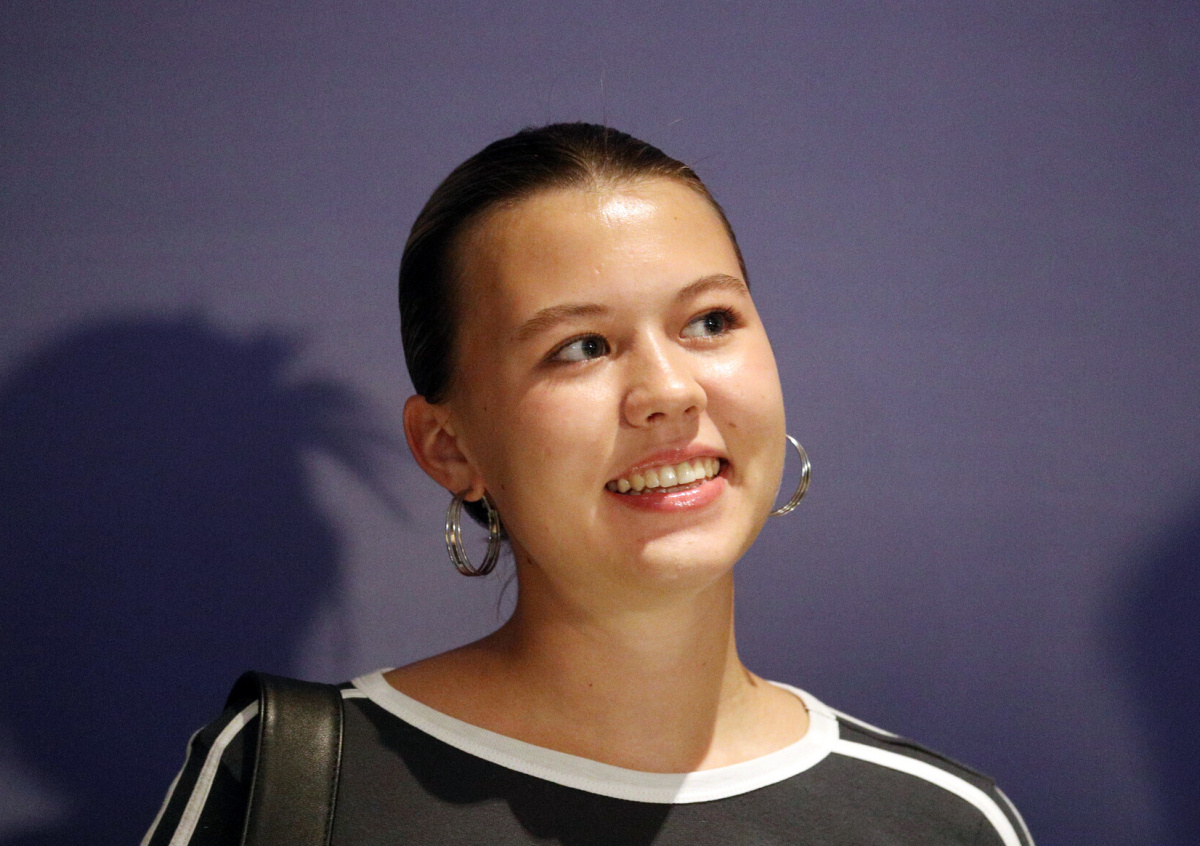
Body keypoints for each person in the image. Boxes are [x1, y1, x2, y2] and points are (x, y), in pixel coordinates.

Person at [142, 123, 1033, 845]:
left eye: (709, 321)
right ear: (448, 447)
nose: (670, 392)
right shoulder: (299, 781)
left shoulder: (940, 824)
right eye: (582, 347)